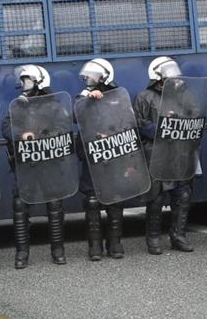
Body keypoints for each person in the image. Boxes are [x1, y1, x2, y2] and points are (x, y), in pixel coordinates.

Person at [1, 65, 68, 268]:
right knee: (20, 206)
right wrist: (20, 134)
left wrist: (42, 136)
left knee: (55, 206)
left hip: (49, 164)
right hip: (26, 164)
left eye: (27, 80)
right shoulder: (19, 105)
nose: (23, 85)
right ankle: (22, 254)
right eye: (23, 81)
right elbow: (5, 126)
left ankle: (58, 250)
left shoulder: (54, 105)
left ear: (39, 81)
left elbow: (63, 128)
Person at [133, 56, 194, 255]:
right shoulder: (145, 97)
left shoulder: (184, 95)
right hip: (155, 152)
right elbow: (139, 124)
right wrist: (163, 128)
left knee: (182, 195)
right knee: (156, 197)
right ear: (157, 76)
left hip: (179, 152)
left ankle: (178, 236)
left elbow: (194, 117)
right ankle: (153, 238)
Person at [76, 58, 125, 260]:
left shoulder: (117, 96)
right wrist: (88, 99)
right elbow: (74, 114)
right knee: (92, 202)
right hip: (91, 156)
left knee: (115, 201)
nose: (89, 78)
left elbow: (125, 122)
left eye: (94, 75)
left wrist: (110, 135)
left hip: (112, 155)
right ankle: (94, 246)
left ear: (105, 76)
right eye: (89, 75)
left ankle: (115, 243)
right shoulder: (81, 97)